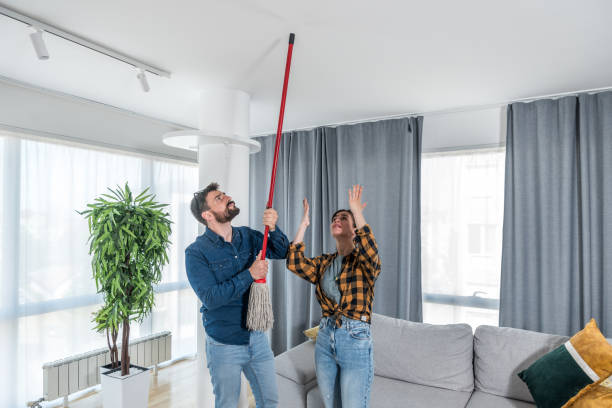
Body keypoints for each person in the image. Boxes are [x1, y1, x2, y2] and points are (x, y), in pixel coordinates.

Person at [185, 182, 289, 408]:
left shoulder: (248, 236)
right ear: (207, 215)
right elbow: (211, 298)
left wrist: (273, 227)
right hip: (224, 345)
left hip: (257, 338)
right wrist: (250, 274)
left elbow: (282, 251)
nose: (228, 197)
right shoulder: (196, 253)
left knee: (270, 401)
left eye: (224, 194)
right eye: (219, 198)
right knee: (227, 404)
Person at [287, 185, 381, 408]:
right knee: (330, 404)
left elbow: (371, 251)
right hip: (325, 336)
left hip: (355, 338)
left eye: (343, 217)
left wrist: (356, 212)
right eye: (334, 218)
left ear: (354, 227)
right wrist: (303, 225)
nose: (337, 220)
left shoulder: (363, 262)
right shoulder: (324, 262)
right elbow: (295, 262)